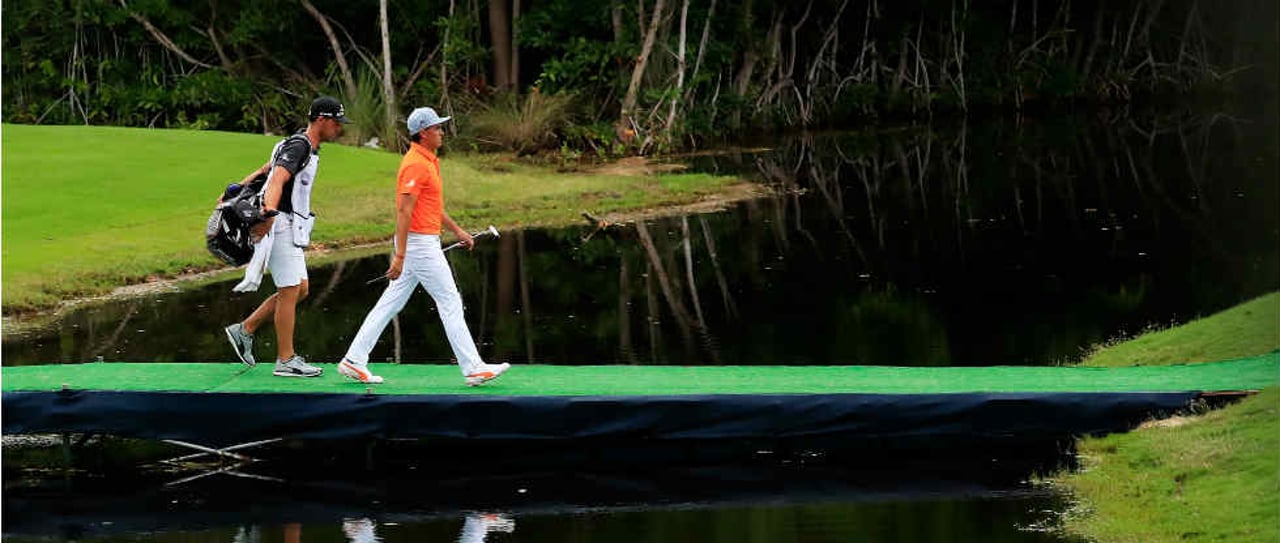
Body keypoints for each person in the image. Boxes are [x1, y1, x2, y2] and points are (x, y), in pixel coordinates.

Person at [336, 106, 510, 386]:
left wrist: (458, 231)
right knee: (450, 301)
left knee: (390, 303)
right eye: (437, 127)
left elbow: (431, 206)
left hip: (422, 241)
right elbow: (404, 211)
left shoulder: (429, 161)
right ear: (423, 132)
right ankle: (473, 367)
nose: (442, 131)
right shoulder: (416, 163)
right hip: (418, 244)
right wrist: (401, 255)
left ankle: (353, 360)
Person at [222, 96, 348, 377]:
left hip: (291, 224)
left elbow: (264, 171)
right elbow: (277, 178)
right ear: (322, 120)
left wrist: (234, 192)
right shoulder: (299, 145)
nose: (339, 128)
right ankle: (286, 360)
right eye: (337, 122)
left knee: (300, 288)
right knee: (291, 289)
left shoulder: (300, 145)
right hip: (280, 224)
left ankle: (245, 330)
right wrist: (267, 214)